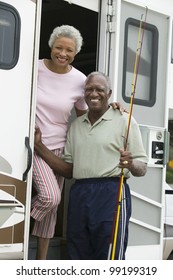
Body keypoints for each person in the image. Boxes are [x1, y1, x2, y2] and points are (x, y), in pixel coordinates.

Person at [31, 25, 124, 260]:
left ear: (76, 53)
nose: (63, 54)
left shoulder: (79, 80)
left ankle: (39, 265)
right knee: (51, 198)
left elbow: (87, 115)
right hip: (33, 143)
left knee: (52, 211)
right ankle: (17, 220)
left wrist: (111, 108)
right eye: (59, 47)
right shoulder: (34, 68)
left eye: (69, 50)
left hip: (60, 148)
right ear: (51, 46)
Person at [34, 71, 148, 260]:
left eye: (99, 89)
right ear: (84, 94)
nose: (94, 93)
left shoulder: (124, 120)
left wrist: (130, 164)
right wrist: (39, 146)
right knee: (76, 253)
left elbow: (142, 168)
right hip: (80, 193)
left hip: (112, 192)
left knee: (108, 254)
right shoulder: (76, 126)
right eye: (89, 89)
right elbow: (68, 170)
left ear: (109, 93)